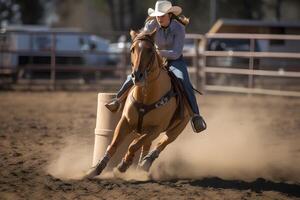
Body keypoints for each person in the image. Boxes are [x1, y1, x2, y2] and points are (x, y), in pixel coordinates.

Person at [106, 0, 206, 133]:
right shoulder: (151, 24)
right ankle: (118, 100)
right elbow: (141, 39)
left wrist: (157, 53)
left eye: (162, 15)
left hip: (174, 60)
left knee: (183, 80)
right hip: (153, 60)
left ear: (170, 15)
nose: (159, 18)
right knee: (134, 75)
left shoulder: (179, 28)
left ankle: (195, 116)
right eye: (158, 15)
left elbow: (176, 53)